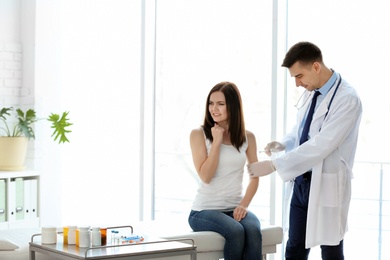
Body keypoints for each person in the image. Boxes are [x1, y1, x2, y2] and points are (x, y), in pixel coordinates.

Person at [247, 41, 362, 260]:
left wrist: (274, 165)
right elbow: (301, 131)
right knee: (295, 248)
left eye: (299, 76)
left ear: (316, 67)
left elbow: (322, 144)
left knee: (331, 250)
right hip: (301, 183)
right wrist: (284, 144)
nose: (298, 84)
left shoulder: (347, 99)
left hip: (327, 183)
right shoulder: (313, 91)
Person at [188, 81, 262, 260]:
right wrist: (216, 141)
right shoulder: (198, 134)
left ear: (233, 107)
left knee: (253, 230)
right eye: (211, 103)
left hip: (234, 208)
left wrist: (243, 205)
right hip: (204, 210)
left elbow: (255, 176)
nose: (214, 108)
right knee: (236, 232)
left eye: (220, 104)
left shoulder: (248, 137)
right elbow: (205, 176)